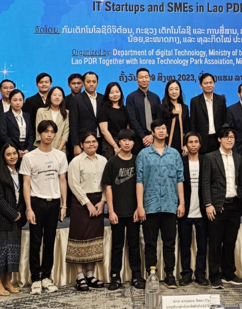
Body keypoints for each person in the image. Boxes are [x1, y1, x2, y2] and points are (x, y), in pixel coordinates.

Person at [21, 119, 68, 295]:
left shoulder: (60, 155)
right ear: (39, 134)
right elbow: (26, 183)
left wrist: (64, 205)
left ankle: (47, 276)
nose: (49, 134)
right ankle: (35, 278)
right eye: (45, 131)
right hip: (36, 202)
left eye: (52, 131)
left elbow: (62, 180)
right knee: (35, 241)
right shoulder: (29, 156)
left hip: (54, 202)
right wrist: (28, 208)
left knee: (50, 241)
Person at [136, 118, 184, 288]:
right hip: (150, 205)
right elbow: (139, 180)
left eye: (164, 128)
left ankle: (170, 274)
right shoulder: (143, 154)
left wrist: (181, 203)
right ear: (153, 132)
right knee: (150, 243)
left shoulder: (174, 154)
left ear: (167, 132)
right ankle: (152, 274)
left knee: (169, 242)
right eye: (158, 129)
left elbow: (180, 179)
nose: (162, 131)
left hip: (170, 204)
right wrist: (140, 206)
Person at [202, 127, 242, 288]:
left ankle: (229, 273)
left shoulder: (238, 157)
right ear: (219, 139)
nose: (230, 140)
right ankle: (215, 276)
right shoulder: (210, 157)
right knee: (215, 243)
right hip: (217, 206)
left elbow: (241, 183)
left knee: (230, 242)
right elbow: (205, 182)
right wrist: (208, 204)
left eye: (232, 137)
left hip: (234, 205)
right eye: (226, 137)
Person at [102, 129, 144, 291]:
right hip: (117, 212)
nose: (127, 143)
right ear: (118, 142)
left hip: (134, 212)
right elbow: (109, 188)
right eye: (123, 140)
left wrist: (139, 208)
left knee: (134, 245)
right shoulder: (112, 163)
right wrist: (111, 211)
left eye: (130, 140)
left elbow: (142, 186)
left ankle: (136, 275)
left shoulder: (138, 161)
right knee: (117, 245)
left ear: (134, 143)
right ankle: (115, 276)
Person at [67, 132, 108, 291]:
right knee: (80, 237)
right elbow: (74, 185)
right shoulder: (75, 162)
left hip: (98, 201)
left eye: (94, 141)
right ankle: (79, 276)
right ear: (82, 145)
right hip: (80, 203)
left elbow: (107, 183)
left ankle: (90, 274)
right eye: (88, 142)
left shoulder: (103, 160)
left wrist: (103, 201)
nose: (92, 144)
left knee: (94, 238)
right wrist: (88, 204)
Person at [0, 142, 25, 296]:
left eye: (14, 153)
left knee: (13, 251)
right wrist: (13, 214)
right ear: (3, 157)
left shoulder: (21, 173)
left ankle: (8, 281)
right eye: (8, 154)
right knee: (0, 252)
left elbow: (24, 195)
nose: (12, 156)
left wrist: (20, 213)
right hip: (2, 219)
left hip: (17, 219)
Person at [179, 132, 208, 286]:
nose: (193, 145)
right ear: (186, 145)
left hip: (202, 211)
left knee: (202, 246)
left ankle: (200, 273)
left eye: (196, 142)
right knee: (185, 245)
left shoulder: (206, 160)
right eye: (190, 142)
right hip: (185, 211)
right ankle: (186, 274)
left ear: (200, 144)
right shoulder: (181, 162)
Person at [126, 67, 162, 154]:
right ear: (136, 80)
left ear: (150, 78)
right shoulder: (131, 97)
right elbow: (132, 119)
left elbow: (158, 119)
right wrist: (143, 137)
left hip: (154, 137)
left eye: (146, 77)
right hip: (138, 138)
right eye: (141, 77)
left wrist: (152, 135)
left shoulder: (155, 97)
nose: (144, 80)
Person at [189, 73, 227, 154]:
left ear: (214, 84)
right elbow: (193, 123)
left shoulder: (221, 100)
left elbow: (224, 120)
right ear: (200, 85)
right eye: (205, 83)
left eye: (210, 83)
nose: (208, 85)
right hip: (202, 140)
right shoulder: (195, 101)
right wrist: (195, 141)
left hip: (218, 139)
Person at [69, 71, 104, 155]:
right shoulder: (76, 99)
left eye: (94, 82)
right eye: (88, 82)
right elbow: (73, 123)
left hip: (101, 140)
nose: (91, 84)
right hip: (84, 141)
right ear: (83, 83)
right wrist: (76, 145)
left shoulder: (102, 98)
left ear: (97, 83)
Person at [98, 81, 129, 160]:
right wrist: (115, 145)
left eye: (117, 92)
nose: (115, 95)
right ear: (107, 95)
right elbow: (104, 130)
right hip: (109, 144)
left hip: (124, 142)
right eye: (111, 92)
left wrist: (125, 142)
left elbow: (128, 127)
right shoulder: (104, 109)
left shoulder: (125, 109)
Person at [0, 89, 34, 158]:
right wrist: (16, 149)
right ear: (9, 101)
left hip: (26, 149)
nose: (18, 103)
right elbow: (4, 135)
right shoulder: (4, 116)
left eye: (20, 100)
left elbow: (30, 134)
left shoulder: (27, 115)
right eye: (15, 100)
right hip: (11, 149)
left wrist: (28, 149)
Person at [35, 86, 69, 153]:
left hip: (60, 149)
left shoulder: (66, 113)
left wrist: (58, 150)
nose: (57, 97)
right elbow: (38, 130)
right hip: (42, 148)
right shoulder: (41, 111)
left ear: (62, 98)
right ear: (49, 97)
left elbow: (66, 133)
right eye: (54, 95)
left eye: (60, 95)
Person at [161, 79, 190, 155]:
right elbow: (159, 127)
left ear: (180, 91)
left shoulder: (185, 108)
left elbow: (187, 128)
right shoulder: (162, 107)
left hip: (181, 145)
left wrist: (186, 145)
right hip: (165, 144)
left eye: (177, 89)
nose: (174, 92)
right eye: (171, 89)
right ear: (167, 91)